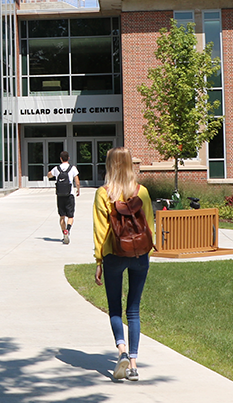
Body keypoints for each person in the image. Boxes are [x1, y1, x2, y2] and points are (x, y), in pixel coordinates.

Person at [93, 147, 154, 381]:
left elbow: (100, 231)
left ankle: (122, 352)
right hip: (139, 255)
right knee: (134, 309)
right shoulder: (143, 192)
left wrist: (99, 261)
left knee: (115, 308)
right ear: (130, 165)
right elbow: (149, 225)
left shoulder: (103, 194)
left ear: (110, 166)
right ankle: (135, 365)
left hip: (114, 255)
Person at [48, 151, 80, 244]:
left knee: (62, 217)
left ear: (60, 159)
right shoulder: (72, 168)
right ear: (68, 158)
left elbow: (49, 175)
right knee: (70, 216)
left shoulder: (57, 168)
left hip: (60, 195)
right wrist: (78, 189)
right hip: (69, 194)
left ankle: (63, 233)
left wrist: (50, 173)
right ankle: (68, 230)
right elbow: (77, 181)